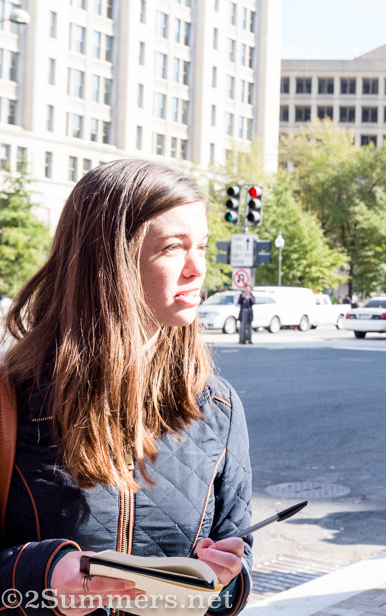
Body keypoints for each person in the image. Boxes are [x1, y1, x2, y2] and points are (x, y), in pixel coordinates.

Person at [0, 160, 253, 616]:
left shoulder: (218, 405)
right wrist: (42, 576)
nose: (198, 269)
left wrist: (222, 581)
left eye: (202, 246)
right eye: (174, 248)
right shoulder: (11, 400)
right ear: (109, 261)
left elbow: (238, 556)